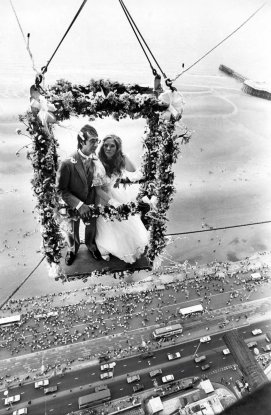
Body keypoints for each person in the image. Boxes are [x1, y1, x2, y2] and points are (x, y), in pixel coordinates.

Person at [95, 134, 149, 263]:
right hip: (103, 196)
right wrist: (112, 202)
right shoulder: (98, 162)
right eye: (106, 145)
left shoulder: (120, 159)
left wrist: (122, 156)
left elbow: (135, 171)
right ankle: (107, 247)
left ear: (117, 147)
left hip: (118, 193)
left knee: (125, 221)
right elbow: (97, 189)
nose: (108, 148)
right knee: (107, 223)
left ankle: (125, 244)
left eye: (112, 146)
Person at [56, 124, 104, 265]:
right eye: (92, 141)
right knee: (72, 229)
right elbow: (61, 190)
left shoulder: (96, 161)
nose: (96, 144)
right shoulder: (67, 163)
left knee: (91, 228)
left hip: (90, 202)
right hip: (73, 204)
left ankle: (91, 245)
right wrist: (79, 205)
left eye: (97, 141)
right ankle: (72, 250)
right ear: (82, 142)